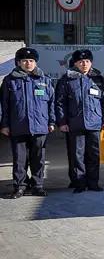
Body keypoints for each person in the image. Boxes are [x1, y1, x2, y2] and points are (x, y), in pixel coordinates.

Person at [0, 47, 54, 198]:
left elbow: (51, 103)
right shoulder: (9, 81)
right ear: (18, 62)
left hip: (40, 125)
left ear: (35, 62)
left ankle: (38, 185)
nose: (28, 63)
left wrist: (51, 121)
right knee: (19, 159)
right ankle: (20, 186)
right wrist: (4, 125)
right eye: (24, 61)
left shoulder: (44, 80)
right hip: (18, 126)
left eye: (31, 61)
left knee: (38, 158)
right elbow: (4, 105)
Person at [55, 48, 104, 193]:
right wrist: (62, 122)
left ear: (91, 63)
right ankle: (79, 183)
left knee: (93, 154)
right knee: (76, 155)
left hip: (94, 122)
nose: (84, 64)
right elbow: (60, 103)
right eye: (81, 62)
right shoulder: (67, 80)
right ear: (75, 63)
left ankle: (93, 182)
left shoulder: (98, 79)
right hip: (75, 123)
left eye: (87, 61)